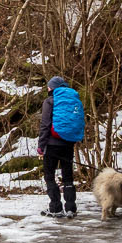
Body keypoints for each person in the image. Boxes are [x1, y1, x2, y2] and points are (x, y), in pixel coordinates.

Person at [37, 75, 83, 217]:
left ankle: (56, 208)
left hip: (51, 145)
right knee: (68, 176)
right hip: (68, 144)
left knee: (49, 176)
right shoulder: (73, 100)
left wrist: (41, 146)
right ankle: (70, 208)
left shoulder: (50, 101)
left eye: (49, 86)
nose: (47, 88)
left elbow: (45, 125)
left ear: (52, 88)